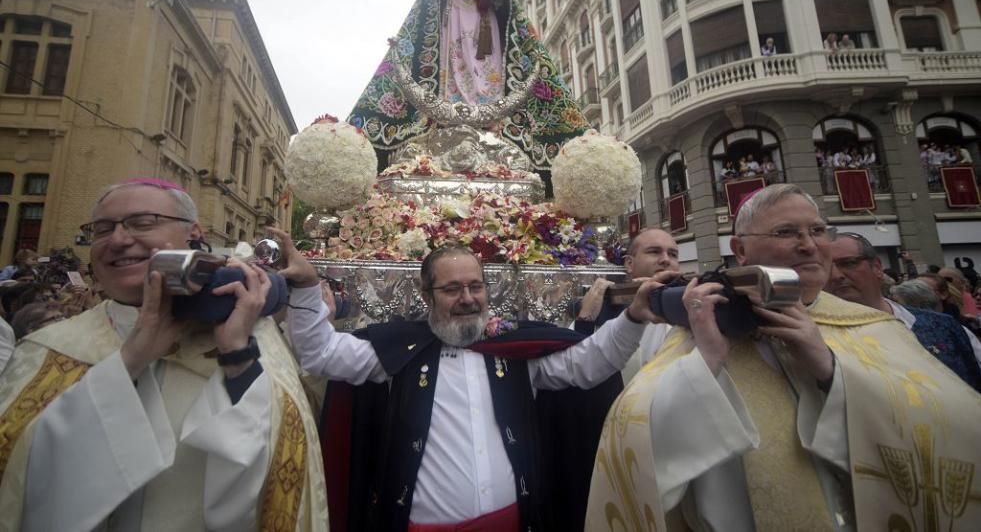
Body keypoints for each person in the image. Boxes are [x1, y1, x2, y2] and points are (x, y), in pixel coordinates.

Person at [586, 184, 981, 530]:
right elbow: (633, 436)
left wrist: (831, 372)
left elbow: (954, 429)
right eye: (786, 232)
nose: (809, 245)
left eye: (817, 231)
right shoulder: (703, 327)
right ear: (740, 249)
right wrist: (705, 364)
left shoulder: (873, 328)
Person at [0, 178, 328, 531]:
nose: (119, 239)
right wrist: (129, 363)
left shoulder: (250, 336)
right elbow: (19, 481)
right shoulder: (49, 348)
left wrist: (236, 356)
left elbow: (276, 479)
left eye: (143, 222)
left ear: (193, 233)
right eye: (103, 228)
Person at [283, 235, 660, 531]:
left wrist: (633, 318)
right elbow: (320, 353)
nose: (467, 299)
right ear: (425, 294)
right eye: (452, 289)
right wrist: (305, 286)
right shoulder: (399, 349)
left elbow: (591, 363)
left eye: (476, 287)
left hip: (514, 520)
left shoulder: (516, 348)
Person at [347, 0, 588, 177]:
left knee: (485, 61)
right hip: (456, 17)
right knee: (456, 57)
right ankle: (456, 103)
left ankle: (486, 105)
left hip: (483, 17)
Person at [826, 232, 981, 391]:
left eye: (849, 263)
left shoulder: (943, 326)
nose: (836, 275)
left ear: (877, 267)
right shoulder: (819, 341)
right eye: (825, 267)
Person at [576, 227, 682, 380]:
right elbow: (577, 368)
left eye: (673, 254)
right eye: (654, 251)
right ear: (629, 264)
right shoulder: (600, 307)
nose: (666, 259)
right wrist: (585, 319)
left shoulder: (693, 304)